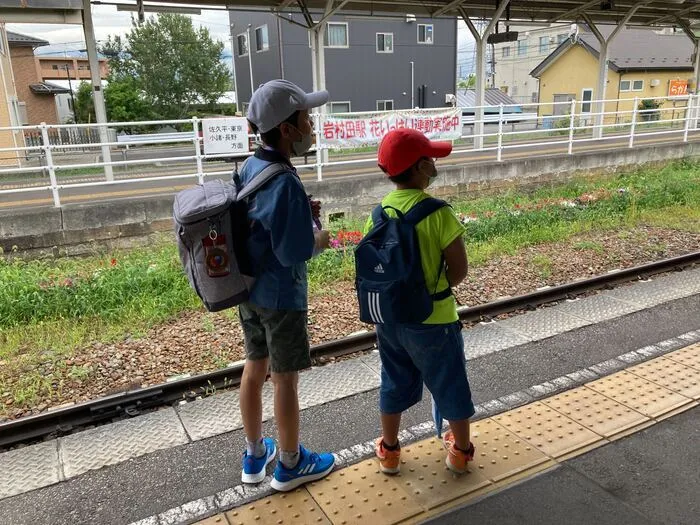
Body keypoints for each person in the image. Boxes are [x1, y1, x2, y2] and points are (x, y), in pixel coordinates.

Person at [237, 79, 335, 491]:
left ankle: (255, 455)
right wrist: (321, 236)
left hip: (249, 291)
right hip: (282, 297)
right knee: (285, 378)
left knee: (254, 367)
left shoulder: (249, 166)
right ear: (288, 129)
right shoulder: (286, 181)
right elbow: (296, 250)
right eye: (306, 118)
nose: (312, 124)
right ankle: (291, 463)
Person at [365, 129, 476, 475]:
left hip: (391, 320)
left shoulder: (378, 214)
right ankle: (459, 452)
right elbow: (459, 269)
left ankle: (391, 450)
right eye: (429, 159)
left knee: (393, 380)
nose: (433, 163)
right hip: (434, 320)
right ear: (418, 168)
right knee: (449, 381)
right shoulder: (438, 213)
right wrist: (433, 292)